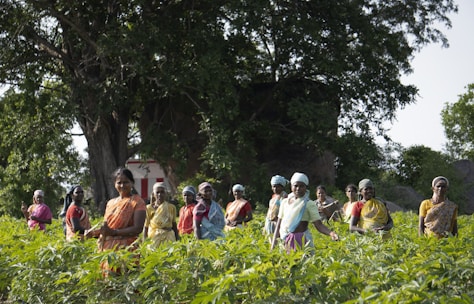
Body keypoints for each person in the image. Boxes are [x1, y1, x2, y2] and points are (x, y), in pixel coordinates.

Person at [85, 168, 146, 275]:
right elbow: (107, 228)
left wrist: (114, 233)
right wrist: (93, 233)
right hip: (108, 250)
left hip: (127, 250)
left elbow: (138, 228)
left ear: (132, 183)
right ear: (114, 184)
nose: (122, 185)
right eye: (119, 182)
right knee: (109, 284)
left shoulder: (137, 202)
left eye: (126, 182)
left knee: (126, 282)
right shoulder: (110, 203)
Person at [271, 172, 339, 252]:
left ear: (306, 187)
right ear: (291, 186)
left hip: (302, 240)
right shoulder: (285, 203)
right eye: (296, 186)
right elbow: (278, 226)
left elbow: (319, 225)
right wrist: (273, 246)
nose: (298, 189)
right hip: (285, 240)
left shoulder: (309, 204)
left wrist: (331, 233)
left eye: (302, 186)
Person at [143, 182, 179, 247]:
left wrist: (178, 239)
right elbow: (146, 226)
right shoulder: (149, 208)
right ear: (154, 194)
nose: (160, 194)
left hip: (169, 236)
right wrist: (144, 241)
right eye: (157, 192)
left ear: (166, 194)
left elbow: (174, 225)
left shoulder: (171, 207)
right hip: (154, 237)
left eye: (162, 192)